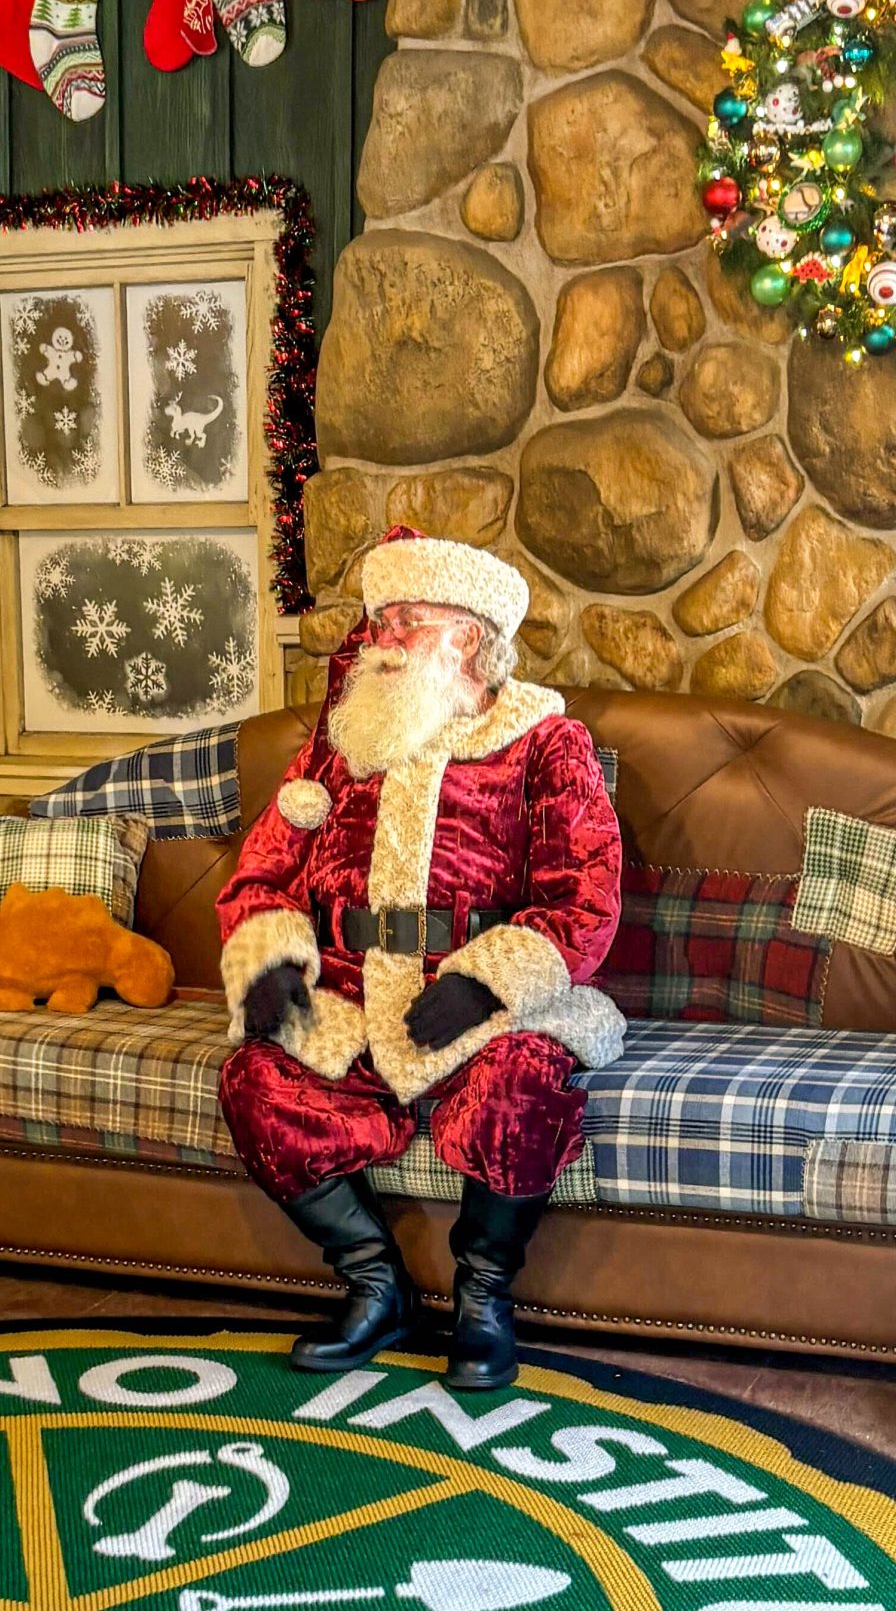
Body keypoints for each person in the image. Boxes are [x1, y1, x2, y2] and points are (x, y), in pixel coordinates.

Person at [214, 527, 623, 1392]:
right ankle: (375, 1285)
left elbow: (584, 897)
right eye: (381, 619)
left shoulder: (546, 744)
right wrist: (273, 960)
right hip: (351, 997)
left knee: (521, 1085)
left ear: (467, 637)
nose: (381, 638)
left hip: (476, 1004)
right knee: (255, 1080)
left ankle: (483, 1299)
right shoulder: (344, 743)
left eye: (405, 620)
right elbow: (266, 868)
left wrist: (485, 984)